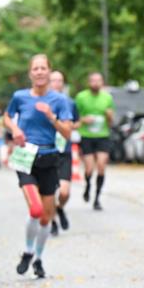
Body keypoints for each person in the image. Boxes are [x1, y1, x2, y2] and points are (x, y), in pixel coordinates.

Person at [4, 54, 73, 279]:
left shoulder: (59, 100)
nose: (40, 72)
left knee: (45, 217)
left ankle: (38, 258)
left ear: (49, 72)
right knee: (35, 210)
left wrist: (52, 117)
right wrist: (15, 130)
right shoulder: (20, 97)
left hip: (49, 157)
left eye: (44, 68)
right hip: (25, 157)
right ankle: (27, 251)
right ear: (30, 73)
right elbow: (6, 116)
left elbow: (67, 132)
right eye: (36, 68)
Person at [74, 72, 115, 211]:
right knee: (90, 168)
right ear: (88, 82)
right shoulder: (81, 97)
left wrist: (109, 117)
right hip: (86, 136)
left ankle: (97, 198)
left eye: (98, 81)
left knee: (102, 166)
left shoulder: (107, 98)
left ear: (102, 83)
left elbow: (111, 122)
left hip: (103, 135)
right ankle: (87, 186)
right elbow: (74, 119)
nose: (96, 83)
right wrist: (84, 120)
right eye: (93, 80)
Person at [49, 70, 80, 235]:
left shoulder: (70, 103)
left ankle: (60, 208)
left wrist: (67, 127)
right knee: (49, 193)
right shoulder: (43, 102)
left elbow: (77, 122)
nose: (57, 83)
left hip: (64, 151)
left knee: (64, 192)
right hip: (47, 152)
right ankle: (53, 222)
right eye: (53, 80)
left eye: (60, 80)